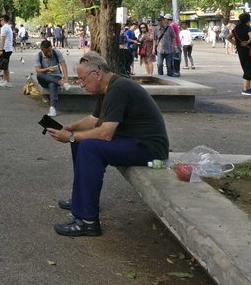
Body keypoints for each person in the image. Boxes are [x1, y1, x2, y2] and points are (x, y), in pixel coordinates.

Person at [45, 51, 169, 237]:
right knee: (80, 142)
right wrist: (68, 128)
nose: (81, 84)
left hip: (149, 148)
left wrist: (70, 136)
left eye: (82, 79)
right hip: (133, 141)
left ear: (97, 74)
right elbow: (93, 120)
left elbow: (105, 133)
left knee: (88, 146)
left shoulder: (118, 89)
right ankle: (81, 200)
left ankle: (87, 221)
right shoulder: (107, 88)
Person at [34, 39, 69, 117]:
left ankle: (53, 108)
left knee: (52, 84)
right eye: (46, 52)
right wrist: (47, 69)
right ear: (42, 50)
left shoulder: (57, 53)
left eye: (50, 50)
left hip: (56, 77)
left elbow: (63, 65)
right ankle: (61, 83)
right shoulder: (39, 55)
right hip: (44, 78)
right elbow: (37, 69)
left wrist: (65, 78)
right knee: (39, 74)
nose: (49, 53)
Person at [228, 12, 251, 96]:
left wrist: (237, 44)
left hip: (240, 51)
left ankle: (248, 87)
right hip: (248, 51)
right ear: (248, 20)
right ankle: (245, 89)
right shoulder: (247, 27)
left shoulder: (236, 28)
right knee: (249, 69)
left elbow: (228, 37)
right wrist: (247, 42)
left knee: (245, 67)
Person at [0, 14, 14, 87]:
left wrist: (1, 49)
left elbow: (3, 40)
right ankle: (4, 80)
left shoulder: (4, 27)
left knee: (5, 66)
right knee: (4, 65)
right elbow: (2, 38)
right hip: (8, 48)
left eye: (0, 20)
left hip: (6, 49)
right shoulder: (8, 27)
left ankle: (8, 81)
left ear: (3, 20)